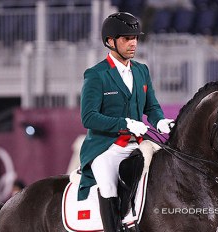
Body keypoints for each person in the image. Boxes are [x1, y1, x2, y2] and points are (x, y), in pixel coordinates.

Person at [78, 12, 174, 232]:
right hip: (105, 147)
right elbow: (88, 117)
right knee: (109, 185)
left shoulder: (141, 71)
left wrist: (160, 122)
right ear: (110, 42)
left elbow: (151, 107)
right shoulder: (96, 75)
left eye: (135, 38)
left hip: (138, 142)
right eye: (126, 38)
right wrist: (126, 123)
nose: (133, 43)